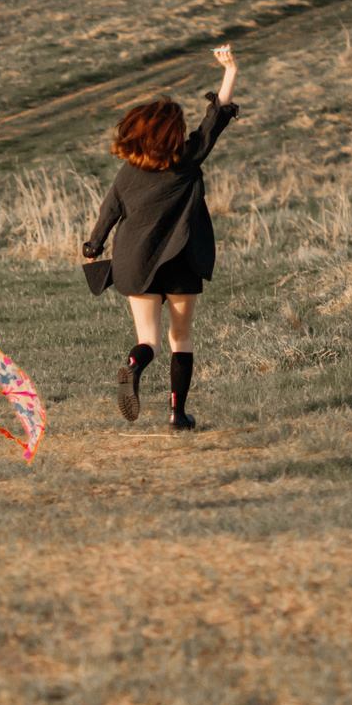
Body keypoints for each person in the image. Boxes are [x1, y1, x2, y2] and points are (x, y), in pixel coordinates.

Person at [82, 45, 240, 430]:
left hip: (135, 261)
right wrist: (230, 70)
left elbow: (108, 212)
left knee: (149, 339)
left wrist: (93, 247)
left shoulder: (127, 172)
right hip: (181, 260)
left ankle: (134, 366)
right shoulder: (186, 160)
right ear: (172, 134)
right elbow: (214, 119)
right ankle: (177, 415)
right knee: (180, 339)